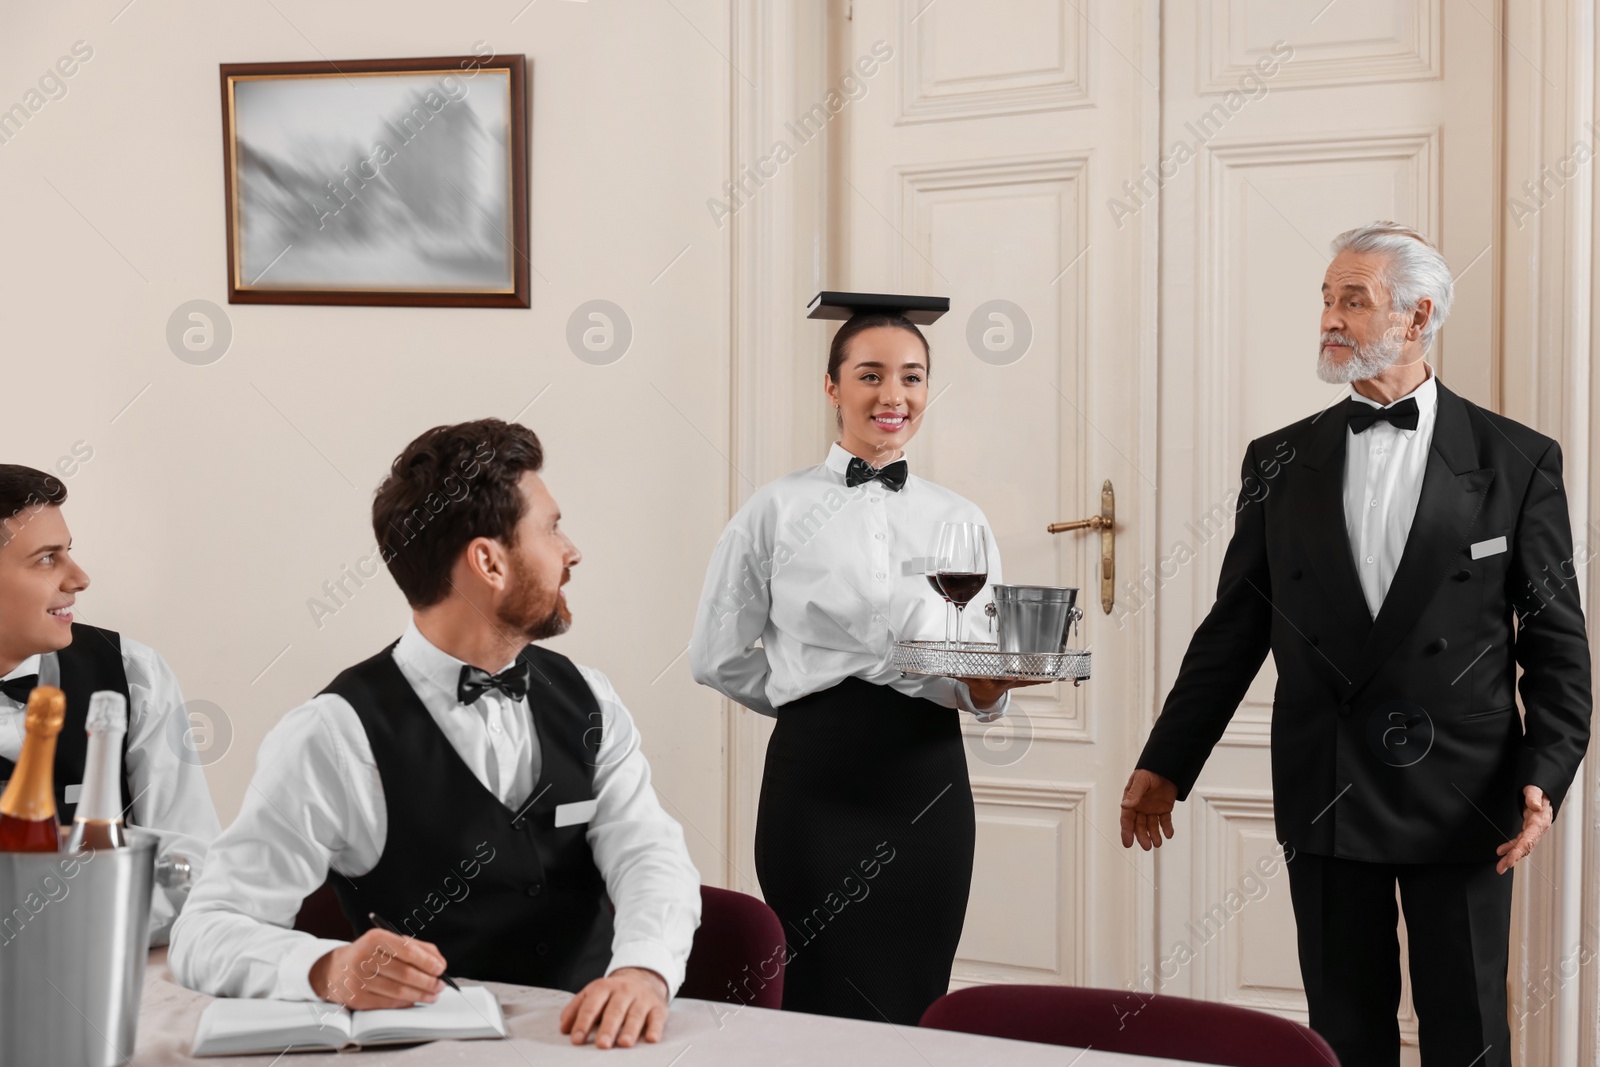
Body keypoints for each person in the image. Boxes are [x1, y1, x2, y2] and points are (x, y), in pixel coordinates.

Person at [1120, 222, 1592, 1066]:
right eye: (1328, 299)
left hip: (1467, 790)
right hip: (1329, 780)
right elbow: (1234, 630)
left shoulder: (1517, 460)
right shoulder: (1278, 459)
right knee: (1343, 1027)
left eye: (1354, 300)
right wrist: (1168, 759)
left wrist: (1544, 775)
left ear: (1418, 318)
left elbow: (1556, 642)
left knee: (1469, 1028)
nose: (1331, 318)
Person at [170, 419, 701, 1052]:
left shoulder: (591, 697)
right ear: (488, 561)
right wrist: (326, 969)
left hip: (590, 1047)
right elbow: (205, 931)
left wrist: (643, 968)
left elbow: (648, 850)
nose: (572, 551)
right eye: (552, 528)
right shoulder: (334, 736)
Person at [690, 292, 1045, 1025]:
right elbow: (716, 655)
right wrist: (809, 694)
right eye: (871, 374)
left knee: (916, 986)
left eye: (912, 377)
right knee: (818, 993)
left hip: (927, 786)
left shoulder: (961, 518)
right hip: (814, 788)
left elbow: (984, 672)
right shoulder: (773, 510)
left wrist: (988, 688)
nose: (894, 395)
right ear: (832, 387)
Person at [0, 464, 220, 942]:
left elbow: (195, 867)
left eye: (69, 553)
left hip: (102, 977)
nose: (79, 578)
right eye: (46, 559)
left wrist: (70, 921)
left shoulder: (135, 674)